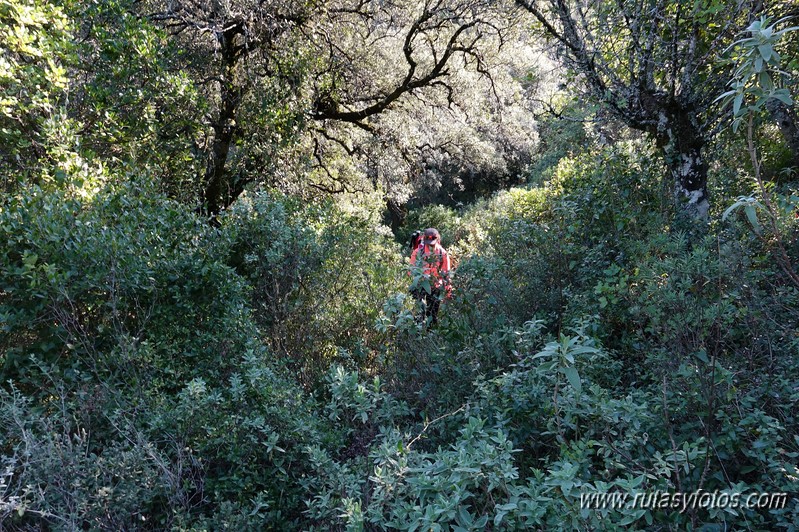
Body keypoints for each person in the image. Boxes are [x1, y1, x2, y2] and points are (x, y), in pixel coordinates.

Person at [409, 227, 451, 326]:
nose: (431, 245)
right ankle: (418, 335)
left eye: (433, 242)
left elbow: (446, 275)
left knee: (433, 315)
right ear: (424, 239)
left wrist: (448, 292)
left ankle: (431, 335)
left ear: (438, 240)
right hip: (420, 285)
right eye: (428, 242)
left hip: (435, 287)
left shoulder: (443, 254)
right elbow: (411, 270)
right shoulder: (418, 252)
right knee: (419, 313)